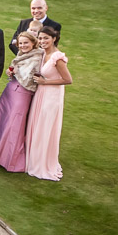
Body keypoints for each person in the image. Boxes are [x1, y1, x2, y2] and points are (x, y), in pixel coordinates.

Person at [0, 31, 43, 172]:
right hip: (10, 90)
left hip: (22, 93)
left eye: (26, 43)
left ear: (33, 43)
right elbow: (18, 72)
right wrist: (10, 73)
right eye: (20, 43)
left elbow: (29, 79)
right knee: (0, 120)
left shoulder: (37, 57)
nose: (23, 45)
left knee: (13, 124)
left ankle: (8, 158)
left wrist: (16, 72)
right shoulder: (22, 55)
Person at [26, 27, 72, 181]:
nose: (42, 41)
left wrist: (45, 82)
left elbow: (68, 80)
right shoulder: (43, 53)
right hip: (41, 93)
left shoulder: (57, 58)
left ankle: (43, 162)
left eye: (46, 38)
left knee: (45, 127)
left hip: (51, 97)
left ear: (54, 38)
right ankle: (34, 157)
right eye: (40, 38)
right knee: (37, 124)